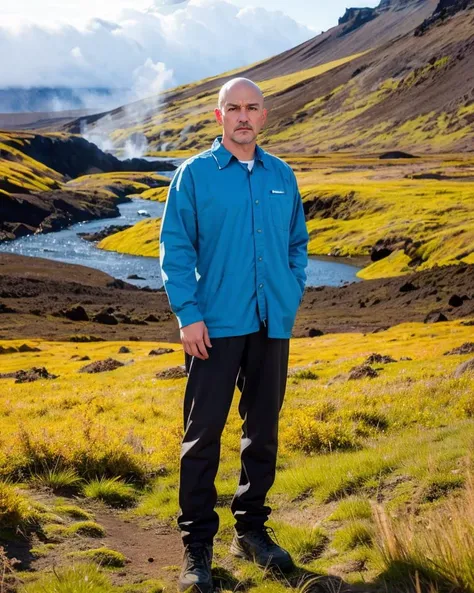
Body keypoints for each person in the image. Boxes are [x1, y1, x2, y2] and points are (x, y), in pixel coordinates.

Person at [159, 77, 309, 593]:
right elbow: (175, 249)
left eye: (252, 108)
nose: (243, 116)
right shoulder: (194, 176)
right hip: (214, 327)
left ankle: (251, 530)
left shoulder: (282, 175)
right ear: (218, 117)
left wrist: (290, 290)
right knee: (201, 438)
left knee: (262, 429)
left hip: (272, 324)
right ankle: (197, 546)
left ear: (264, 116)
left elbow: (297, 243)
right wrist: (188, 314)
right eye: (234, 108)